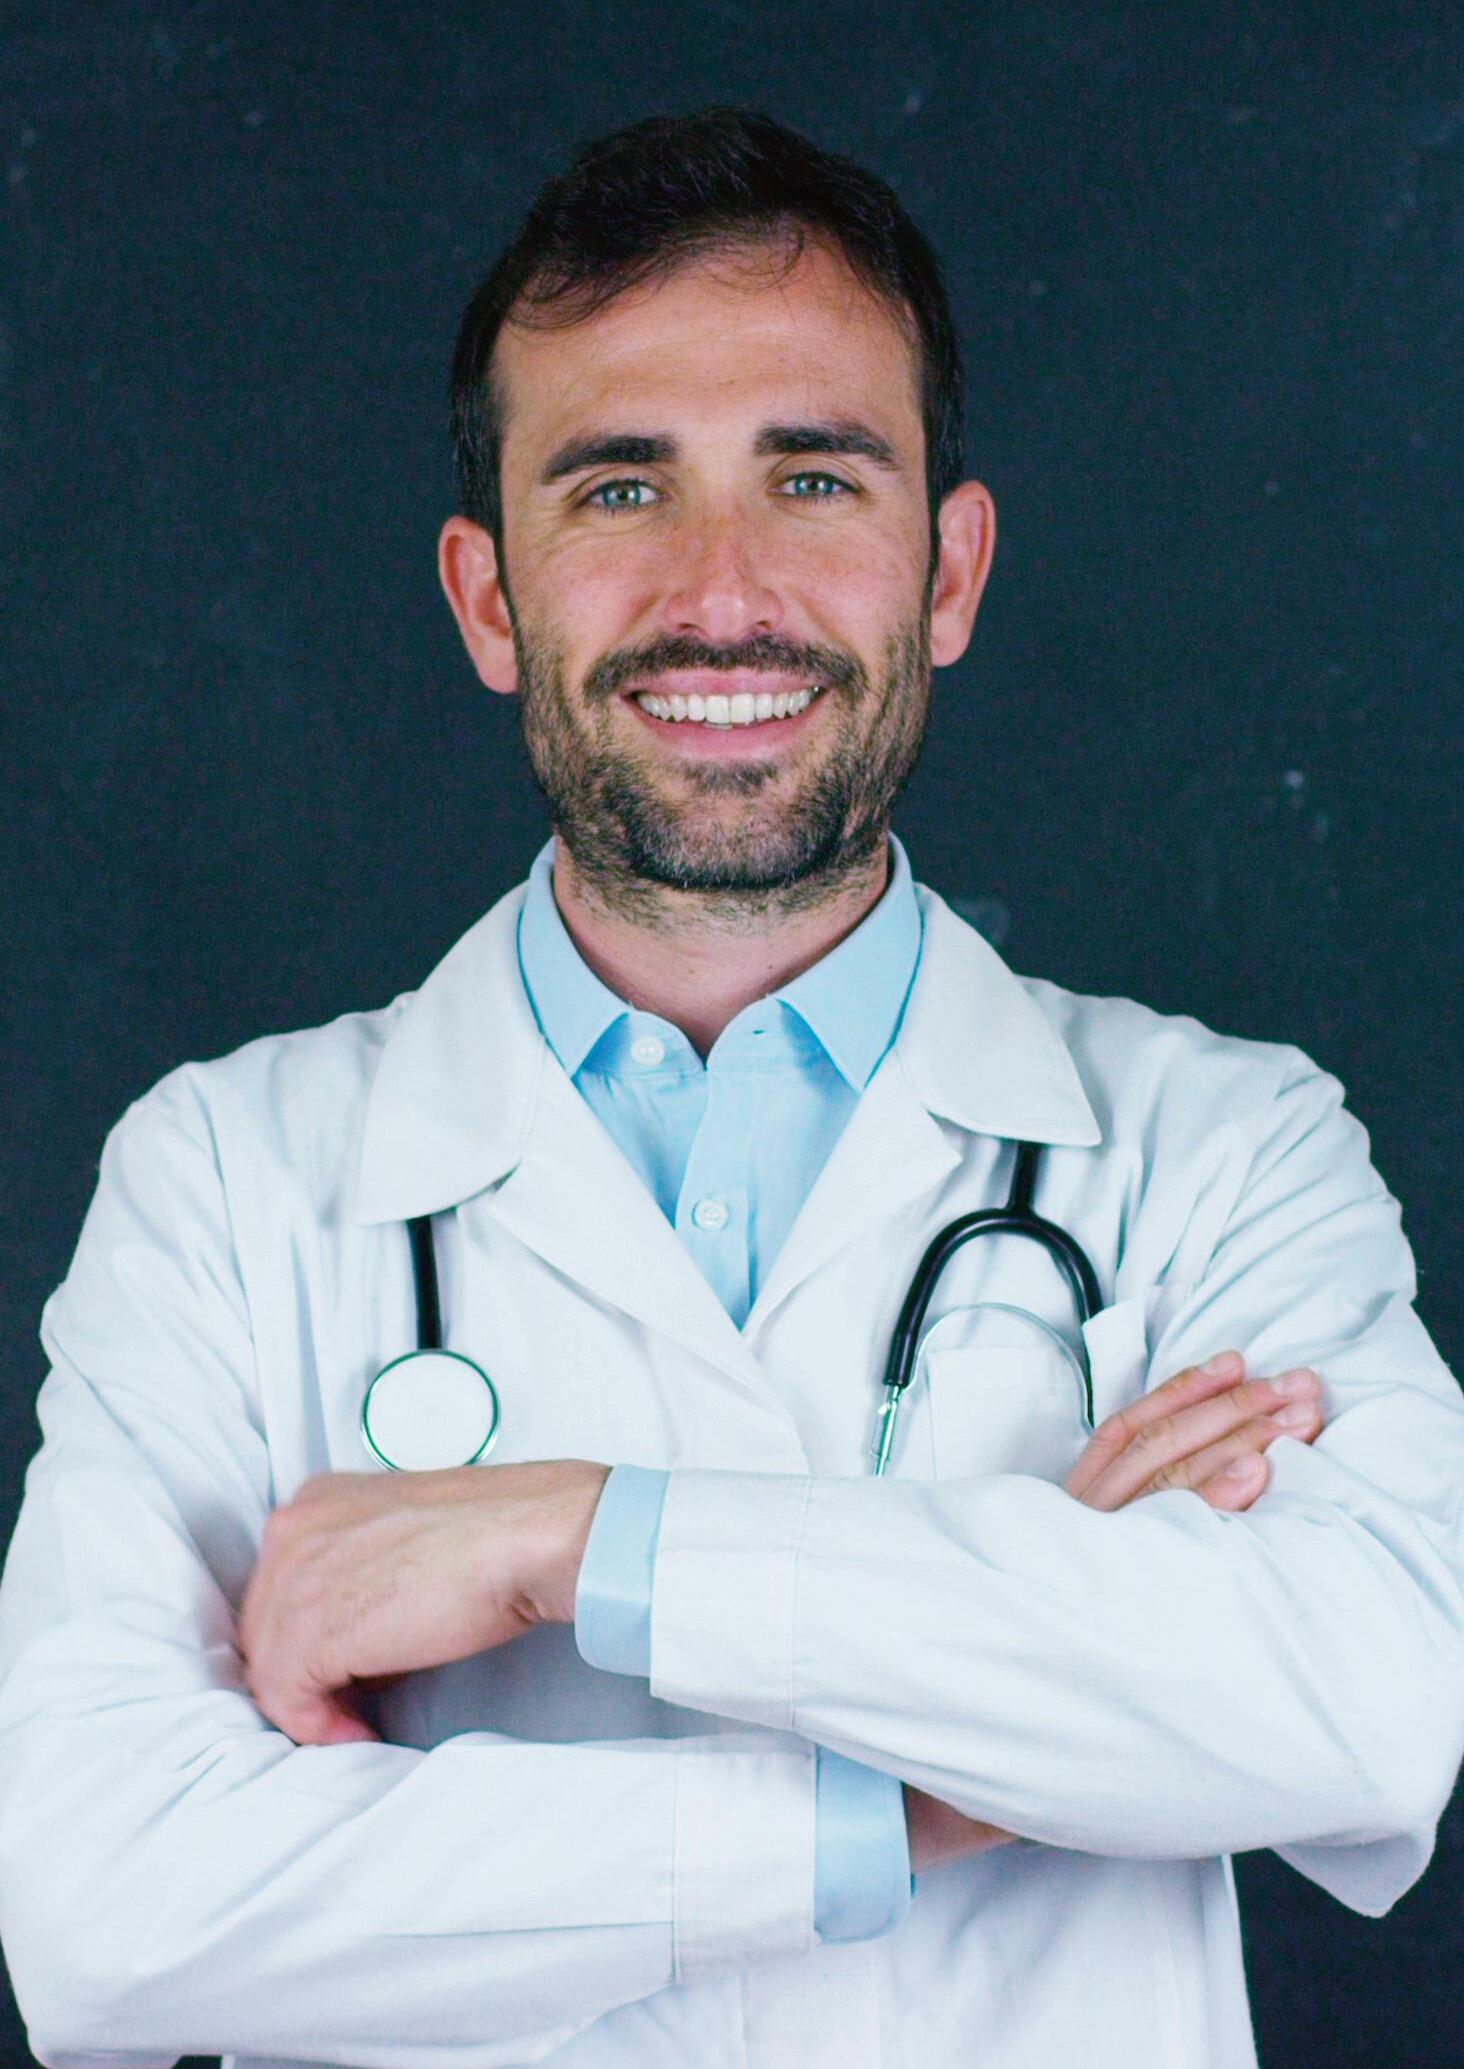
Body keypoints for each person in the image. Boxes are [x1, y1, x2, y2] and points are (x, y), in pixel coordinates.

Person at [1, 106, 1460, 2069]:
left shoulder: (1222, 1151)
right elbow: (103, 1912)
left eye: (814, 477)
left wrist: (578, 1536)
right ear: (489, 598)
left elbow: (1371, 1702)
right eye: (620, 488)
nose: (722, 589)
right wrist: (910, 1804)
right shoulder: (224, 1180)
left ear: (949, 573)